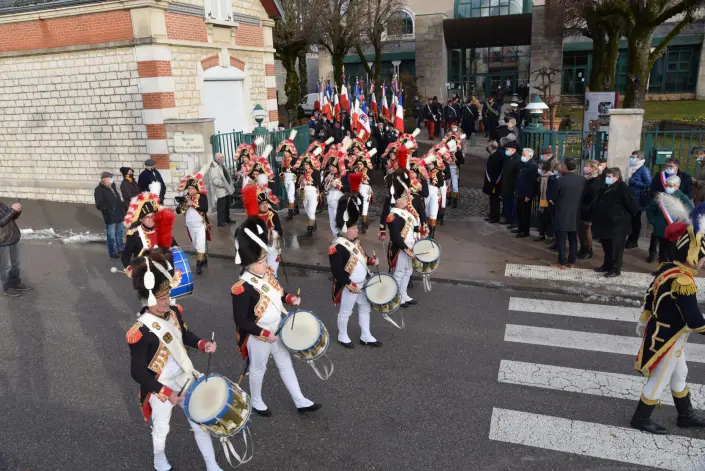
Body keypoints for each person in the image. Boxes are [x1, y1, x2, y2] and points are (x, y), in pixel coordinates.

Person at [125, 249, 221, 471]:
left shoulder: (174, 312)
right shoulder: (140, 331)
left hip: (185, 375)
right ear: (149, 299)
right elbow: (137, 372)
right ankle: (159, 459)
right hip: (160, 384)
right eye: (161, 299)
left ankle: (212, 465)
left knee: (199, 422)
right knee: (162, 428)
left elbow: (184, 335)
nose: (166, 302)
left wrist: (202, 344)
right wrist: (166, 393)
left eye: (167, 296)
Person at [231, 217, 320, 417]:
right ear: (250, 264)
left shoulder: (267, 274)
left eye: (264, 260)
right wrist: (264, 333)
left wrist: (290, 298)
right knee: (258, 368)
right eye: (261, 262)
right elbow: (241, 320)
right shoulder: (241, 288)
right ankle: (256, 400)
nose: (265, 264)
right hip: (258, 334)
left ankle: (300, 400)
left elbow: (278, 293)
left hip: (277, 327)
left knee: (285, 363)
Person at [631, 204, 705, 434]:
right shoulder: (683, 281)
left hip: (664, 333)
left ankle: (686, 415)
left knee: (679, 373)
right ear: (693, 256)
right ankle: (641, 418)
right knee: (660, 378)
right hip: (669, 338)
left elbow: (649, 297)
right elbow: (694, 320)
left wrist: (644, 318)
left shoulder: (668, 269)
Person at [329, 193, 382, 348]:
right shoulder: (337, 247)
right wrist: (349, 284)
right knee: (346, 311)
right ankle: (342, 335)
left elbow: (362, 257)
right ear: (346, 229)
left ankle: (366, 335)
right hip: (349, 285)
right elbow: (337, 272)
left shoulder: (355, 242)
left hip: (362, 282)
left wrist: (371, 261)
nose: (357, 230)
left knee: (365, 308)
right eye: (354, 228)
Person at [122, 183, 178, 271]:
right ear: (140, 219)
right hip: (144, 273)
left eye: (153, 216)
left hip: (163, 271)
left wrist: (175, 248)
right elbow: (125, 258)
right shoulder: (134, 235)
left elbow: (174, 245)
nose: (151, 219)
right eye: (147, 217)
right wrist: (129, 269)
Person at [591, 168, 637, 277]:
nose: (607, 178)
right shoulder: (605, 186)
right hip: (605, 223)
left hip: (618, 225)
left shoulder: (623, 188)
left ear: (616, 177)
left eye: (609, 177)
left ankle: (615, 269)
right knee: (607, 246)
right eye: (606, 176)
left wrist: (619, 215)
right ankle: (606, 265)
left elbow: (632, 206)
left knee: (616, 248)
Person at [648, 158, 692, 263]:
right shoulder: (661, 196)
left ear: (677, 186)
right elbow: (650, 209)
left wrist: (682, 223)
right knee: (662, 253)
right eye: (666, 185)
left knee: (672, 253)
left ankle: (671, 269)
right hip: (662, 229)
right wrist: (653, 221)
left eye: (670, 186)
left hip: (675, 230)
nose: (668, 187)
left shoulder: (682, 197)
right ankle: (662, 269)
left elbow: (691, 211)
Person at [385, 169, 419, 308]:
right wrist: (408, 251)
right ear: (397, 202)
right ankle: (396, 297)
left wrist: (420, 230)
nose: (407, 200)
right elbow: (396, 238)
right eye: (404, 199)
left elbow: (412, 228)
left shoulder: (404, 213)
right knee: (399, 273)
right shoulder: (393, 216)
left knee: (408, 271)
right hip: (400, 249)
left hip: (408, 246)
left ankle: (403, 295)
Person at [241, 183, 283, 277]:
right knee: (260, 271)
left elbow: (280, 231)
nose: (265, 206)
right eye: (262, 204)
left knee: (272, 271)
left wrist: (273, 233)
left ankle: (272, 281)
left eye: (266, 203)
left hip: (272, 247)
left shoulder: (273, 214)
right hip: (259, 248)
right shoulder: (253, 216)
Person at [551, 158, 585, 268]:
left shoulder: (560, 181)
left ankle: (561, 261)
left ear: (565, 167)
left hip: (562, 213)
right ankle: (572, 261)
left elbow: (554, 197)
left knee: (561, 239)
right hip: (576, 213)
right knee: (573, 238)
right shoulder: (582, 180)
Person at [175, 173, 210, 275]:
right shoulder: (186, 197)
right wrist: (184, 203)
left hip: (200, 224)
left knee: (200, 244)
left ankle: (199, 265)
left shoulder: (202, 196)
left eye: (192, 188)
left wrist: (193, 204)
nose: (190, 190)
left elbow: (205, 209)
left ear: (196, 188)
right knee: (195, 244)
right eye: (189, 188)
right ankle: (203, 257)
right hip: (190, 225)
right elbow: (178, 211)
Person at [0, 199, 30, 297]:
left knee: (15, 264)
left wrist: (16, 211)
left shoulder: (1, 204)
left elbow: (10, 217)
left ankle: (15, 283)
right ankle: (7, 287)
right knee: (6, 267)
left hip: (12, 237)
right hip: (3, 241)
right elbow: (1, 222)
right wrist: (12, 210)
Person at [94, 171, 125, 259]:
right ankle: (112, 252)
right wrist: (109, 211)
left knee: (119, 233)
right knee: (111, 235)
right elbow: (99, 205)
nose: (111, 179)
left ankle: (121, 249)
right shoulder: (99, 190)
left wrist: (123, 207)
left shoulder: (112, 186)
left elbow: (117, 199)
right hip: (110, 216)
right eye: (110, 178)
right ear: (104, 179)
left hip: (119, 214)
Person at [626, 150, 652, 249]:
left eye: (633, 157)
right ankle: (630, 238)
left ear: (640, 158)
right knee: (631, 220)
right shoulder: (630, 168)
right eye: (631, 157)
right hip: (630, 197)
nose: (631, 159)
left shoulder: (643, 169)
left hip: (638, 199)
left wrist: (634, 182)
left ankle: (634, 240)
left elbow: (648, 184)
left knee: (636, 220)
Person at [578, 160, 602, 260]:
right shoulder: (587, 179)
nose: (585, 168)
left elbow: (590, 196)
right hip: (583, 208)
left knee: (586, 230)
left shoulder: (595, 181)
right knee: (581, 229)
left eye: (587, 166)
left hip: (589, 209)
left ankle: (589, 249)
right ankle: (583, 248)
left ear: (593, 168)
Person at [294, 150, 322, 236]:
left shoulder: (316, 172)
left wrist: (319, 193)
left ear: (310, 164)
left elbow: (319, 184)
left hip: (313, 192)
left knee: (310, 211)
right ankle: (313, 222)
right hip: (304, 192)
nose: (305, 166)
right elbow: (298, 183)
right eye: (304, 164)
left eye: (307, 164)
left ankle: (309, 230)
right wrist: (300, 185)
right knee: (307, 210)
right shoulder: (302, 173)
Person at [513, 148, 538, 238]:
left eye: (524, 155)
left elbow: (532, 182)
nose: (522, 156)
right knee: (519, 211)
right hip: (520, 192)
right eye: (522, 154)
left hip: (526, 194)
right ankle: (520, 228)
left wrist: (528, 195)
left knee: (525, 213)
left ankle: (525, 231)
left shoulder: (532, 166)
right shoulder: (524, 164)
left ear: (530, 156)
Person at [322, 150, 347, 236]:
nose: (331, 168)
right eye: (330, 166)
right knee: (332, 222)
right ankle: (336, 237)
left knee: (341, 221)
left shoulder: (343, 176)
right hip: (331, 204)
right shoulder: (329, 175)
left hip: (340, 204)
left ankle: (344, 237)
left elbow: (347, 189)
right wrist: (325, 182)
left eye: (333, 167)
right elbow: (324, 190)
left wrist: (337, 185)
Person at [209, 153, 235, 227]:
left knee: (227, 205)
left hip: (226, 189)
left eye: (223, 157)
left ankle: (227, 219)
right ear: (217, 158)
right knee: (221, 207)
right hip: (221, 189)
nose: (222, 158)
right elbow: (215, 180)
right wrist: (224, 184)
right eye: (221, 157)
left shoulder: (221, 165)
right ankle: (220, 222)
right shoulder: (214, 167)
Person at [500, 141, 522, 228]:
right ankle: (508, 218)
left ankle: (514, 221)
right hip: (507, 185)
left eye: (508, 149)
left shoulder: (518, 160)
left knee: (513, 205)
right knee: (507, 204)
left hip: (512, 186)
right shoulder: (509, 158)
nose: (506, 151)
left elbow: (518, 176)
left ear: (513, 150)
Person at [483, 141, 502, 223]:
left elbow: (494, 171)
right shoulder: (493, 155)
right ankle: (492, 214)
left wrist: (492, 182)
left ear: (491, 147)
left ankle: (495, 217)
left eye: (488, 146)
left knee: (495, 200)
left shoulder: (496, 157)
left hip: (494, 183)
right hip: (492, 181)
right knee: (492, 199)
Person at [536, 162, 554, 241]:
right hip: (541, 200)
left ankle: (550, 236)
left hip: (548, 201)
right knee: (541, 217)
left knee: (548, 219)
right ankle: (541, 234)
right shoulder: (540, 177)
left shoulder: (551, 178)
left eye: (540, 168)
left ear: (544, 169)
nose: (539, 169)